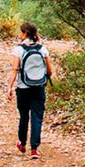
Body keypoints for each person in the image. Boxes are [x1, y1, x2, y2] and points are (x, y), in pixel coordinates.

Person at [9, 23, 61, 159]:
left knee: (24, 116)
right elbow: (50, 69)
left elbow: (14, 69)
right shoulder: (42, 49)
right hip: (38, 88)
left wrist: (9, 86)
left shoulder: (18, 50)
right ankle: (34, 149)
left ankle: (22, 143)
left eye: (21, 33)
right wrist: (45, 79)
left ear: (25, 34)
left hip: (23, 88)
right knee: (37, 117)